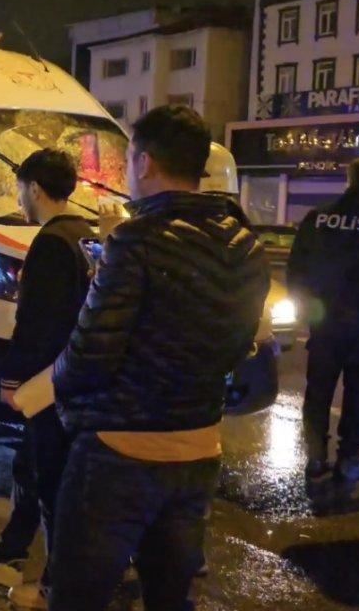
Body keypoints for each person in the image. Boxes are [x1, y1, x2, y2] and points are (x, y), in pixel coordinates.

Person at [49, 106, 269, 611]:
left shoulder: (135, 240)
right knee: (170, 596)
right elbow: (239, 345)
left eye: (129, 158)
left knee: (79, 595)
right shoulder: (245, 245)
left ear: (144, 162)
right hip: (198, 448)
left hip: (119, 451)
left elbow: (87, 355)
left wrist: (63, 402)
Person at [0, 150, 94, 609]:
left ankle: (57, 586)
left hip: (48, 382)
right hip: (74, 378)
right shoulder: (85, 235)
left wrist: (13, 379)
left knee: (51, 479)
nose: (18, 199)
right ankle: (8, 555)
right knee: (30, 467)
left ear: (35, 188)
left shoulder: (51, 243)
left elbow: (36, 323)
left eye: (20, 189)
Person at [287, 156, 359, 482]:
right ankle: (349, 459)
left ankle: (315, 457)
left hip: (324, 321)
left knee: (318, 391)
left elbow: (297, 267)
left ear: (349, 180)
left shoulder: (319, 217)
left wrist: (305, 308)